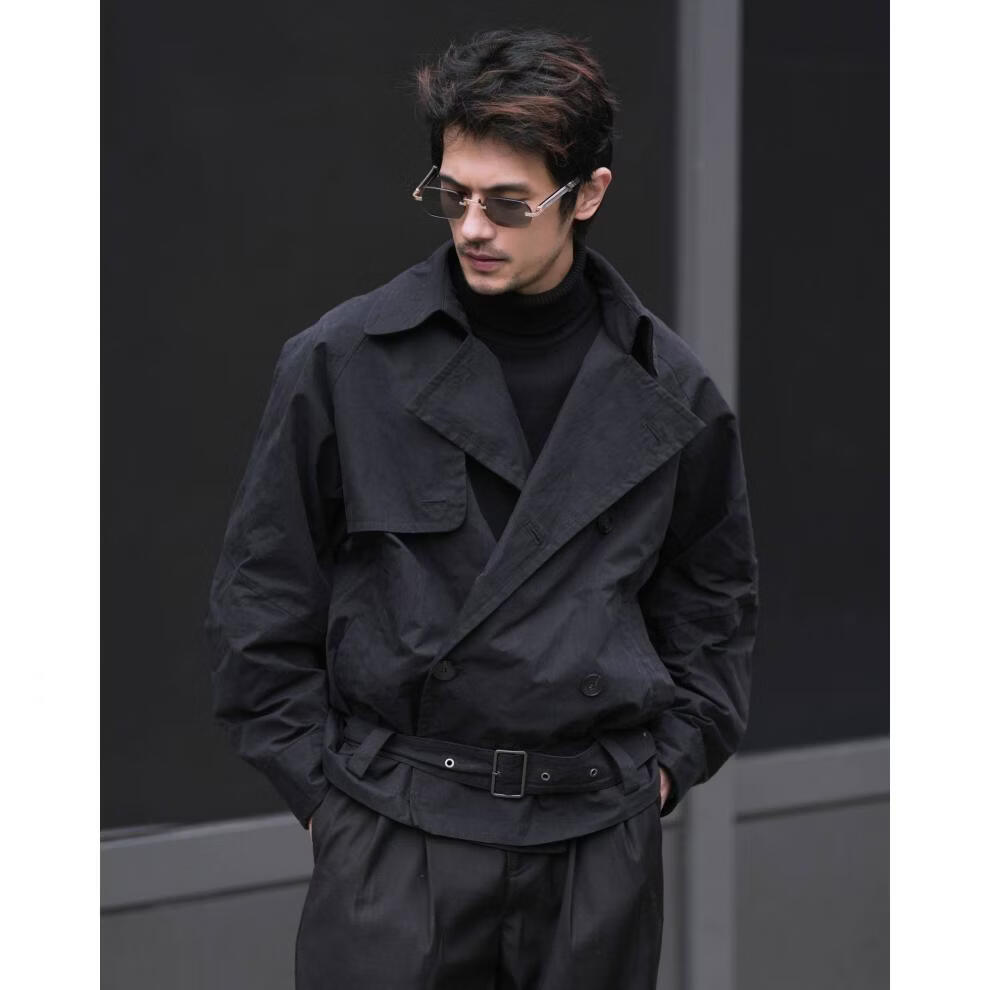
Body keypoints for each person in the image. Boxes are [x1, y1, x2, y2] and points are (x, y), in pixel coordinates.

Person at [205, 26, 758, 990]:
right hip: (397, 830)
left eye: (507, 203)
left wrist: (662, 771)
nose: (471, 228)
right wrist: (334, 808)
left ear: (587, 194)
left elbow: (714, 605)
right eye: (452, 195)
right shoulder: (345, 362)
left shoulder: (672, 391)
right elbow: (260, 599)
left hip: (593, 839)